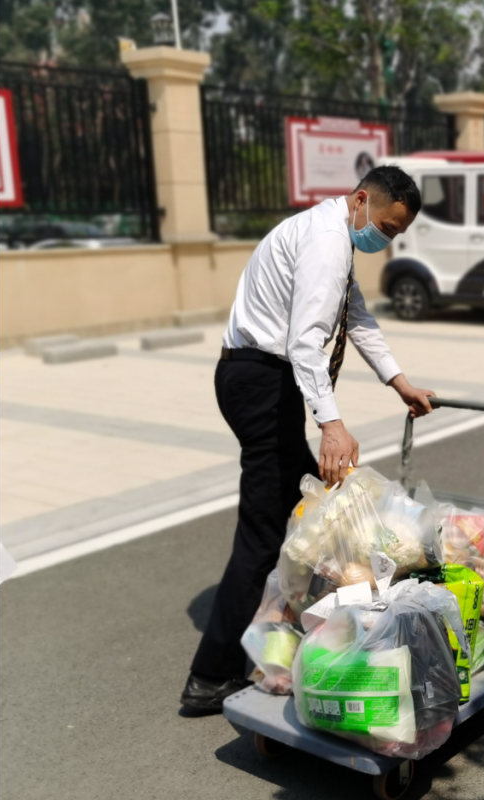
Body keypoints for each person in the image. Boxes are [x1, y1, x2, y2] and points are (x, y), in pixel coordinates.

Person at [181, 165, 437, 712]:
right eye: (387, 227)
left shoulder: (332, 235)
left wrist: (399, 382)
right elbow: (305, 342)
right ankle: (210, 676)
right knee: (266, 529)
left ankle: (278, 637)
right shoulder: (325, 241)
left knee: (300, 514)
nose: (385, 240)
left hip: (258, 380)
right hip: (262, 381)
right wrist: (332, 424)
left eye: (396, 235)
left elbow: (357, 318)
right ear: (362, 199)